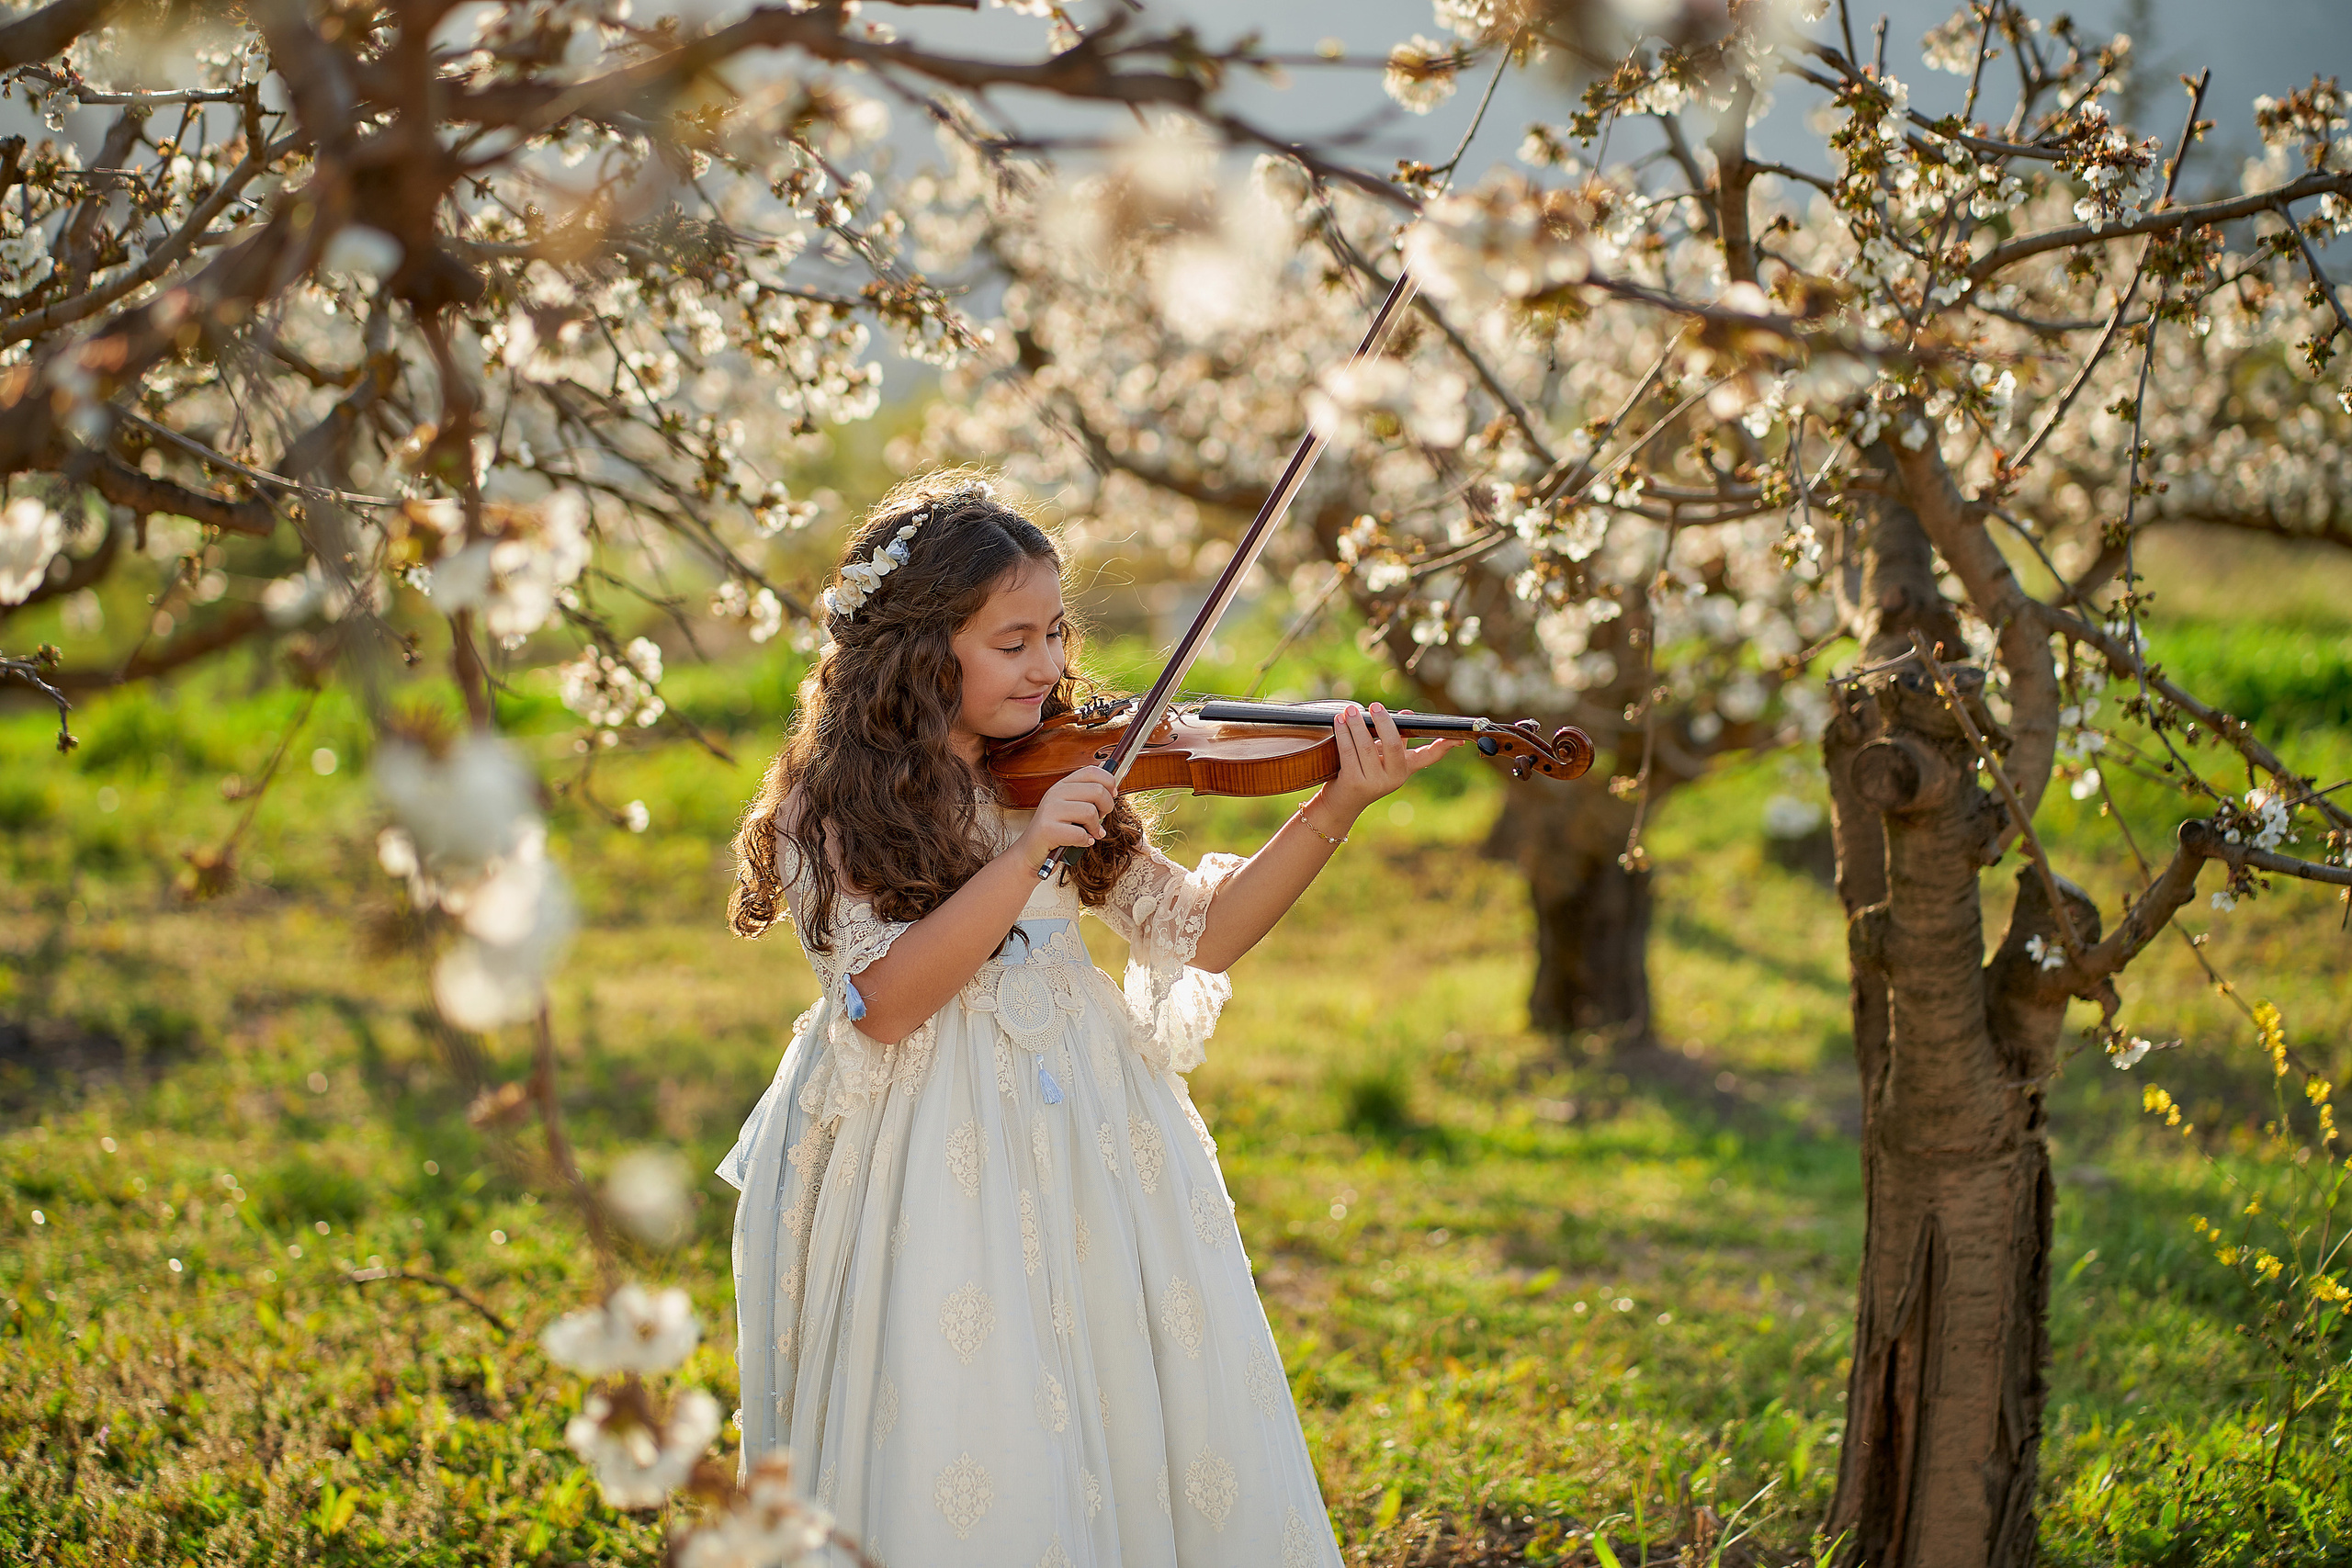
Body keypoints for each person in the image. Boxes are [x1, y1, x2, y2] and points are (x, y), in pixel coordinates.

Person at [718, 471, 1456, 1567]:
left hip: (1092, 1128)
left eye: (1055, 634)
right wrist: (1024, 859)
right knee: (967, 1394)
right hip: (926, 1144)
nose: (1051, 666)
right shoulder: (835, 808)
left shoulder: (1069, 768)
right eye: (1012, 641)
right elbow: (882, 1004)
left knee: (1119, 1380)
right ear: (921, 653)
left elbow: (1198, 932)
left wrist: (1331, 806)